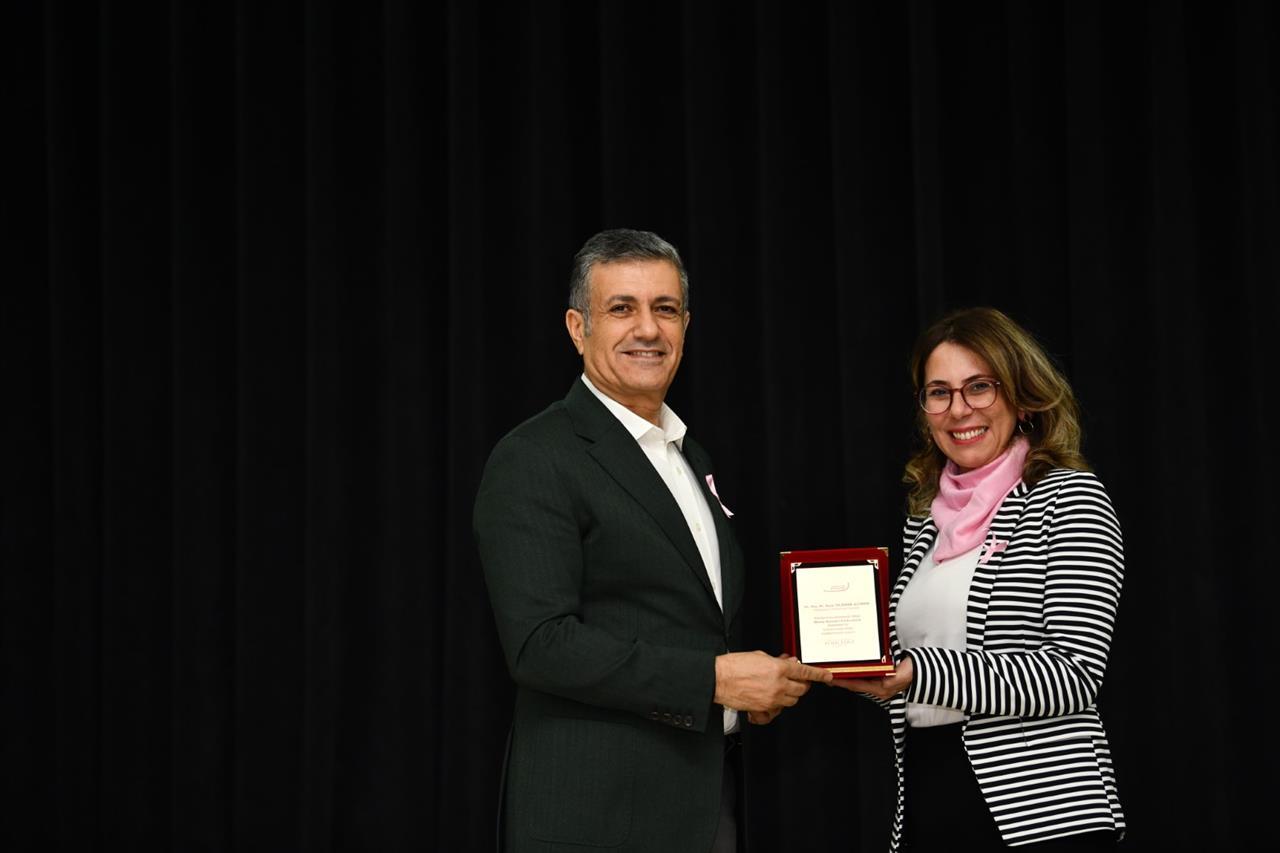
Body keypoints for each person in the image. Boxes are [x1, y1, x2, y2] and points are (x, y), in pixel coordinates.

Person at [474, 228, 830, 853]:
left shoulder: (688, 455)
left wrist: (743, 693)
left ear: (685, 327)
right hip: (596, 817)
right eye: (622, 308)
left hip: (702, 801)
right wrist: (714, 681)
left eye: (665, 309)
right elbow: (539, 644)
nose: (648, 329)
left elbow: (684, 622)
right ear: (577, 328)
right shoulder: (535, 455)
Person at [835, 307, 1125, 851]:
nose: (958, 409)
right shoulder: (926, 520)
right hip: (929, 797)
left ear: (1022, 397)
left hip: (1041, 815)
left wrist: (916, 672)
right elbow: (914, 679)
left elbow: (1074, 673)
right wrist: (847, 665)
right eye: (939, 392)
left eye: (979, 387)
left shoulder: (1069, 498)